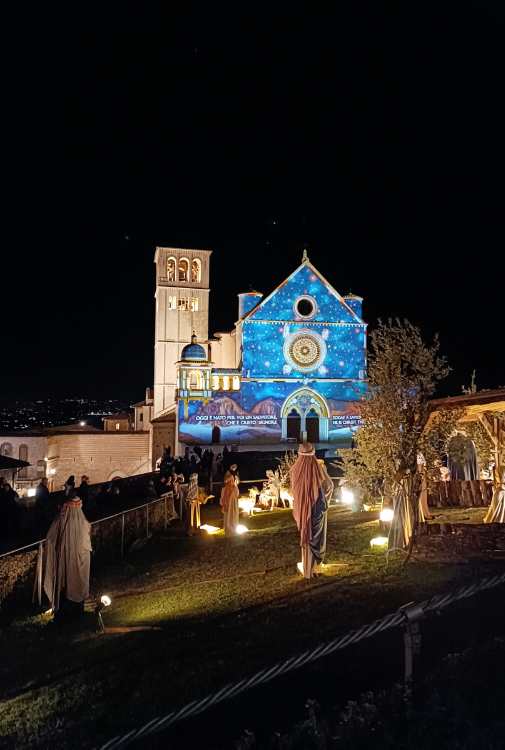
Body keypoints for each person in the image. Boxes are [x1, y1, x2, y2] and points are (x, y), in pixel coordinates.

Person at [43, 490, 92, 621]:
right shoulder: (83, 523)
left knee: (67, 582)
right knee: (75, 582)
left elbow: (50, 538)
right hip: (76, 562)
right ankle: (75, 611)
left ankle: (67, 613)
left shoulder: (62, 520)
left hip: (68, 562)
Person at [290, 443, 333, 579]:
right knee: (315, 538)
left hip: (303, 511)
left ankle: (308, 570)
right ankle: (313, 569)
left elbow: (294, 492)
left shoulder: (296, 470)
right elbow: (329, 486)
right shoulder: (318, 469)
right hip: (316, 509)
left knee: (306, 537)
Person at [220, 463, 240, 536]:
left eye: (235, 466)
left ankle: (233, 524)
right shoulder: (228, 473)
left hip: (234, 492)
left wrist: (236, 479)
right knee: (228, 509)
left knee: (234, 508)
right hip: (228, 493)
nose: (234, 468)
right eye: (233, 466)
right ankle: (228, 525)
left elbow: (237, 482)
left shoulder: (236, 474)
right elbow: (225, 481)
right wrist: (230, 477)